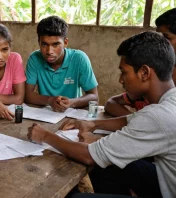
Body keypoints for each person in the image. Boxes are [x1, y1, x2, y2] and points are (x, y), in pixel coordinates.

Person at [27, 32, 176, 198]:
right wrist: (93, 124)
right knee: (109, 165)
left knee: (73, 195)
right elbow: (132, 119)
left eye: (124, 72)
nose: (121, 80)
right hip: (165, 178)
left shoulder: (158, 116)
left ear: (144, 73)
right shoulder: (170, 101)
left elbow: (89, 155)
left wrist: (45, 136)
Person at [105, 8, 176, 117]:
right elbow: (112, 103)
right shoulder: (150, 79)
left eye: (167, 37)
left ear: (144, 73)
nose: (161, 43)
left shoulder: (163, 80)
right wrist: (137, 121)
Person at [25, 16, 98, 112]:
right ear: (39, 42)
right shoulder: (34, 59)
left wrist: (71, 102)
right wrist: (50, 100)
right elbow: (27, 95)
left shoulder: (79, 59)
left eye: (55, 45)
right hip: (46, 113)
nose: (49, 51)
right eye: (44, 44)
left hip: (73, 113)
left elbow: (94, 97)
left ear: (65, 42)